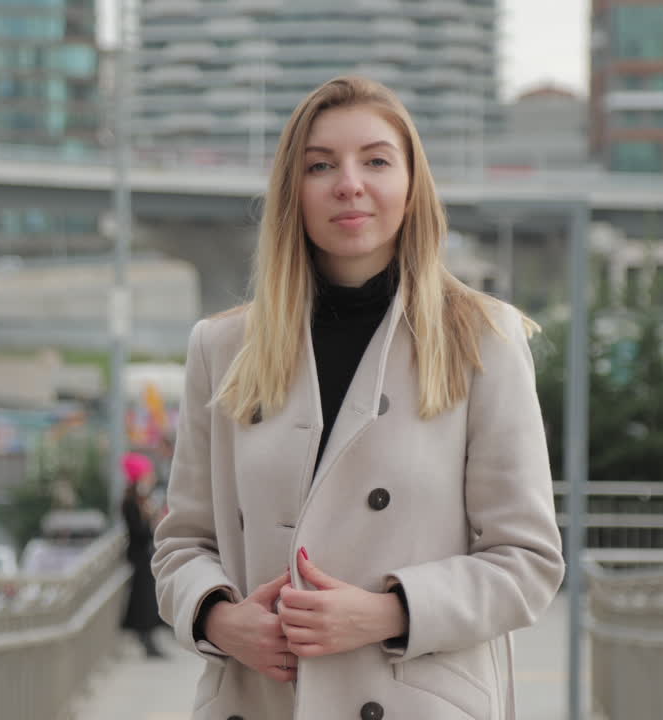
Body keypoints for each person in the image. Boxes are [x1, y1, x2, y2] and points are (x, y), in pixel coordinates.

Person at [152, 76, 564, 720]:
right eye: (321, 165)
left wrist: (388, 612)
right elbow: (181, 546)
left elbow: (528, 563)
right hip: (259, 699)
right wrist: (218, 617)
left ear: (410, 185)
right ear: (295, 191)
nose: (349, 183)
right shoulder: (223, 347)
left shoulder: (481, 339)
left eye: (376, 160)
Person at [120, 451, 166, 658]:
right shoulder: (130, 502)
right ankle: (145, 638)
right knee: (143, 600)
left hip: (146, 556)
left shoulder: (142, 500)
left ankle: (149, 638)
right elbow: (139, 531)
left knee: (148, 600)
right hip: (139, 558)